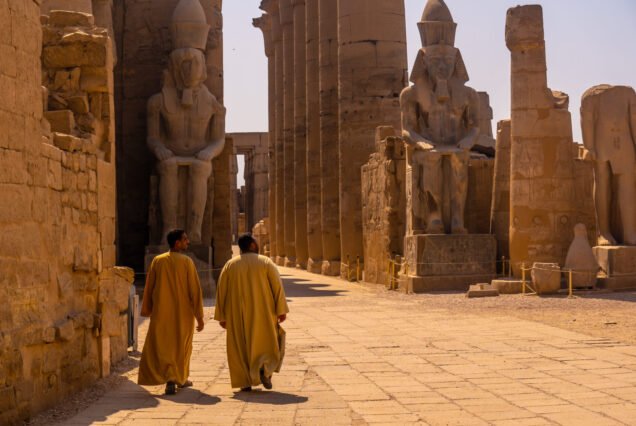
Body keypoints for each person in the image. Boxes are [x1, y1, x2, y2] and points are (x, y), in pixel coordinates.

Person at [214, 234, 289, 391]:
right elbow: (277, 287)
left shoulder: (230, 265)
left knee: (240, 346)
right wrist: (281, 310)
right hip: (264, 312)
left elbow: (222, 291)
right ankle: (265, 370)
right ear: (253, 245)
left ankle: (244, 381)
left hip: (236, 314)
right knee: (266, 342)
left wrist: (221, 315)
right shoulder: (265, 262)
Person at [138, 229, 205, 395]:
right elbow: (195, 291)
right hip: (183, 314)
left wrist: (147, 309)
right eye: (185, 240)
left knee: (164, 346)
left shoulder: (157, 261)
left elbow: (149, 288)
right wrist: (199, 316)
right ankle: (177, 377)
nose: (187, 242)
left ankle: (171, 377)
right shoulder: (187, 262)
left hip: (162, 313)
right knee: (182, 346)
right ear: (177, 243)